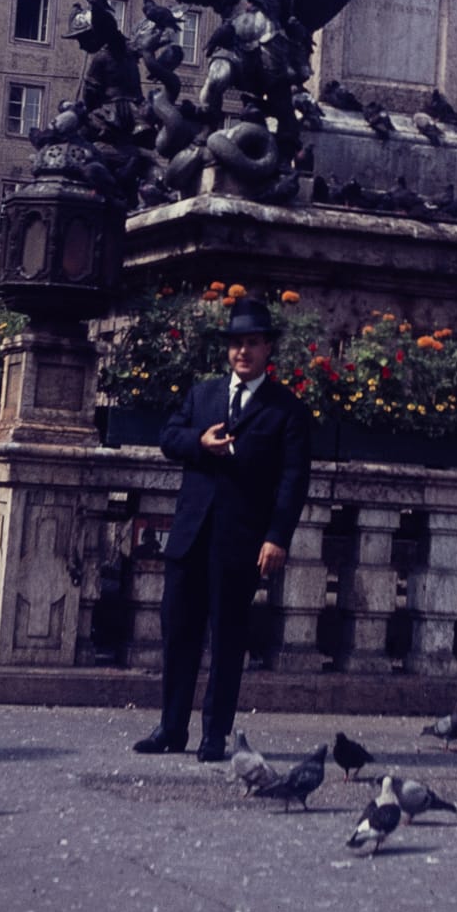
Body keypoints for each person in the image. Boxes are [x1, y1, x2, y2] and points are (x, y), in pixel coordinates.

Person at [133, 297, 310, 760]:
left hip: (242, 540)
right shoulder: (203, 395)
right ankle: (171, 729)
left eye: (252, 344)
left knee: (228, 638)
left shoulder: (285, 409)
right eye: (236, 344)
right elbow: (168, 438)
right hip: (190, 535)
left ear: (268, 348)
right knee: (178, 632)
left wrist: (277, 537)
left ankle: (214, 735)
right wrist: (199, 442)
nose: (242, 353)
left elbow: (293, 481)